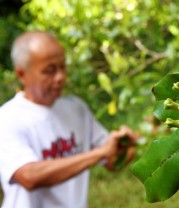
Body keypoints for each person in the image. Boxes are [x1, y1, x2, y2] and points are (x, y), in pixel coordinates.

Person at [0, 31, 138, 208]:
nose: (60, 77)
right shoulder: (7, 118)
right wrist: (100, 153)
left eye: (63, 67)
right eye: (49, 71)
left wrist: (133, 142)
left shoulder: (75, 108)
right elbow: (29, 176)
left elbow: (112, 162)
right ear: (21, 74)